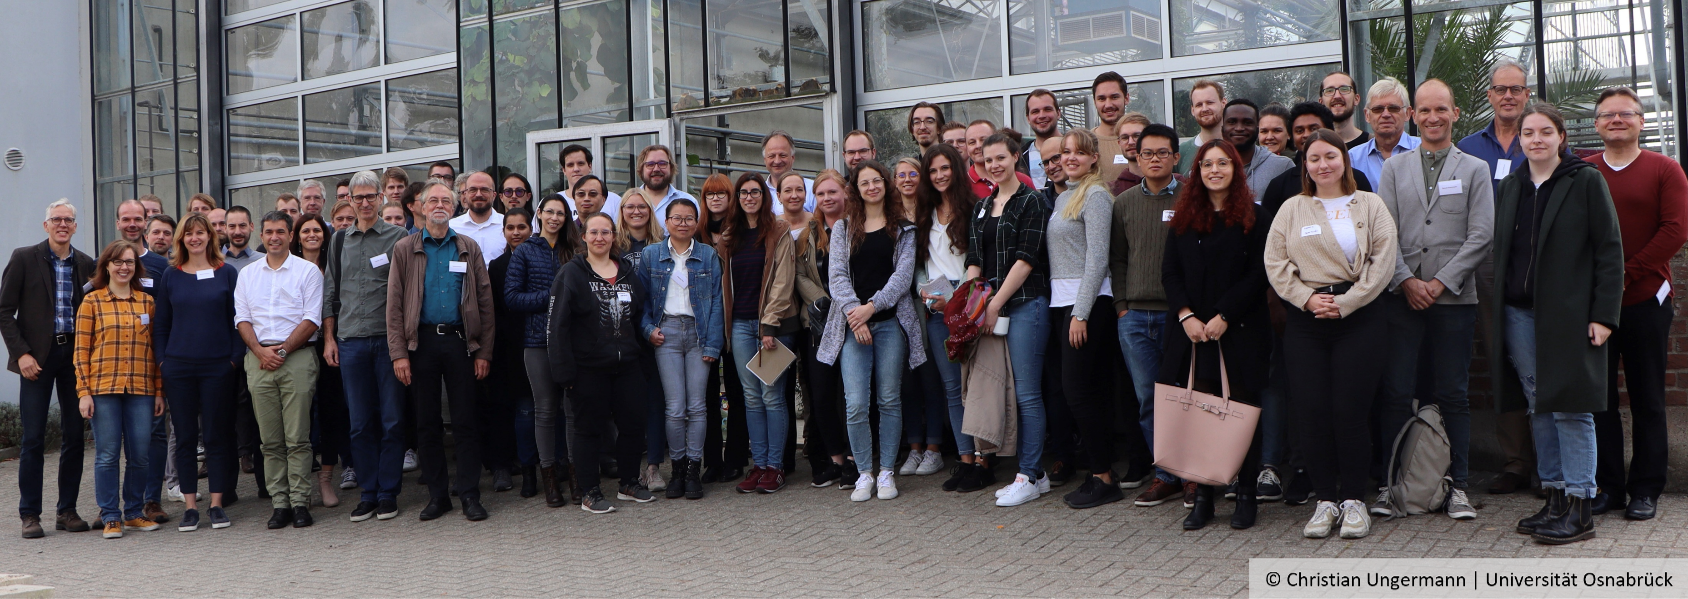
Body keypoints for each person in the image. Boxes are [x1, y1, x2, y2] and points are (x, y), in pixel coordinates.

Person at [1495, 103, 1622, 545]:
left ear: (1561, 137)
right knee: (1539, 405)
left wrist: (1604, 315)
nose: (1535, 139)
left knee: (1572, 407)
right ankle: (1554, 498)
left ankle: (1581, 507)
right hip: (1518, 315)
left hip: (1568, 318)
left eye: (1545, 132)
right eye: (1528, 132)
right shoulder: (1512, 186)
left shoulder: (1585, 180)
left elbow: (1609, 250)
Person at [1264, 129, 1398, 540]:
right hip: (1307, 320)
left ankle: (1355, 501)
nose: (1323, 165)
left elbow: (1383, 259)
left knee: (1350, 412)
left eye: (1330, 156)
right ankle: (1325, 501)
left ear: (1345, 159)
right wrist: (1305, 299)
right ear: (1304, 165)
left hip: (1359, 317)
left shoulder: (1370, 204)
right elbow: (1275, 260)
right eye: (1314, 159)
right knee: (1312, 412)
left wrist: (1348, 302)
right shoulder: (1292, 208)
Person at [1370, 79, 1492, 521]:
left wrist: (1438, 282)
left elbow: (1481, 236)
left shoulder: (1475, 169)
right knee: (1397, 391)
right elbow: (1384, 235)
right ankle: (1390, 486)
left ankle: (1458, 486)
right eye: (1424, 111)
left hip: (1455, 300)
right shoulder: (1394, 169)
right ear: (1412, 116)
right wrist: (1407, 282)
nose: (1433, 117)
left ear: (1455, 113)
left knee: (1453, 394)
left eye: (1441, 109)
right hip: (1401, 298)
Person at [1160, 140, 1273, 530]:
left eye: (1222, 163)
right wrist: (1186, 315)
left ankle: (1245, 495)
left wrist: (1226, 313)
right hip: (1195, 335)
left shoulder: (1256, 218)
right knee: (1202, 417)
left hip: (1240, 330)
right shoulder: (1184, 218)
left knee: (1242, 413)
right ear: (1197, 172)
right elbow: (1170, 274)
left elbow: (1261, 273)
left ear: (1235, 169)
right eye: (1206, 164)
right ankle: (1204, 498)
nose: (1214, 170)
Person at [1589, 86, 1688, 521]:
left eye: (1625, 114)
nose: (1616, 120)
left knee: (1648, 398)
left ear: (1641, 122)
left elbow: (1675, 230)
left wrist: (1625, 273)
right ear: (1596, 124)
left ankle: (1646, 489)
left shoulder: (1665, 170)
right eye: (1607, 115)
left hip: (1646, 300)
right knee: (1600, 399)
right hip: (1594, 308)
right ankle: (1608, 487)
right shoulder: (1584, 171)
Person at [386, 179, 496, 522]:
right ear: (418, 206)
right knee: (427, 423)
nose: (438, 205)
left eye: (444, 200)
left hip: (462, 342)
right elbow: (394, 306)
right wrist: (399, 353)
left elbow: (485, 301)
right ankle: (437, 496)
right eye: (431, 200)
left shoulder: (467, 246)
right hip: (421, 343)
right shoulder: (405, 248)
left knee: (465, 421)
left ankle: (469, 494)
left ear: (453, 206)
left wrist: (484, 352)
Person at [817, 160, 926, 502]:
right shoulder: (844, 228)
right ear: (856, 189)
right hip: (853, 328)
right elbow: (836, 276)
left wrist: (870, 309)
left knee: (889, 400)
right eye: (864, 183)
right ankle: (865, 471)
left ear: (885, 184)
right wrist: (855, 314)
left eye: (876, 181)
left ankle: (887, 472)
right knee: (855, 403)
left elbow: (902, 278)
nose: (871, 187)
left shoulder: (904, 230)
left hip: (890, 323)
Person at [1460, 58, 1536, 495]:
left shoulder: (1542, 139)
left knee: (1541, 360)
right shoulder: (1469, 148)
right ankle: (1515, 462)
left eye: (1516, 89)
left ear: (1526, 94)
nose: (1508, 95)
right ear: (1489, 95)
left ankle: (1550, 463)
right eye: (1500, 89)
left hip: (1535, 265)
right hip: (1487, 266)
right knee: (1501, 359)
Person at [966, 133, 1053, 507]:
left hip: (1024, 305)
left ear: (1016, 157)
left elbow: (1026, 258)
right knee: (999, 391)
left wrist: (994, 304)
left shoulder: (1031, 200)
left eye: (1001, 157)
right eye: (988, 160)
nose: (994, 165)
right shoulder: (982, 206)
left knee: (1027, 393)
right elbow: (974, 259)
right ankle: (1039, 474)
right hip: (989, 311)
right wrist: (969, 303)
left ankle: (1029, 474)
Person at [3, 199, 96, 538]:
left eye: (68, 220)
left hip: (74, 358)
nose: (62, 224)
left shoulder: (86, 264)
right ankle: (30, 514)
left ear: (74, 226)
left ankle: (67, 510)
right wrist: (22, 354)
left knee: (75, 435)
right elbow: (4, 311)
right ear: (46, 225)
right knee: (33, 438)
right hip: (36, 360)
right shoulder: (24, 257)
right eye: (56, 219)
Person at [1037, 129, 1119, 510]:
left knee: (1078, 391)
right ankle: (1098, 471)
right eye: (1064, 152)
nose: (1069, 158)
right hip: (1061, 305)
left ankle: (1103, 476)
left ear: (1093, 159)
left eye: (1078, 153)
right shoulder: (1065, 196)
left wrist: (1080, 313)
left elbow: (1098, 259)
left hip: (1086, 306)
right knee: (1078, 391)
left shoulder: (1097, 195)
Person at [550, 212, 653, 513]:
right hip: (587, 369)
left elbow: (637, 317)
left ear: (613, 236)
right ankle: (589, 491)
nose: (599, 238)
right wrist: (564, 371)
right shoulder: (571, 273)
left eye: (605, 232)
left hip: (628, 365)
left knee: (633, 426)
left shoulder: (627, 272)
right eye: (593, 232)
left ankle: (629, 483)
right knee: (588, 430)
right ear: (583, 237)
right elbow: (557, 327)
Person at [322, 170, 410, 522]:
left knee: (391, 420)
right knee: (359, 423)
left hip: (388, 342)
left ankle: (388, 492)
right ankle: (368, 493)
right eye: (357, 198)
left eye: (370, 196)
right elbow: (330, 291)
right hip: (351, 342)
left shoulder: (398, 237)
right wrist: (329, 338)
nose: (364, 203)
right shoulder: (339, 241)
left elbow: (407, 292)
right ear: (350, 201)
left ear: (381, 198)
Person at [234, 211, 324, 529]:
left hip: (297, 357)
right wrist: (260, 351)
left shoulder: (307, 271)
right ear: (262, 235)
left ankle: (300, 502)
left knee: (298, 437)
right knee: (270, 439)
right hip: (258, 358)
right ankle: (280, 503)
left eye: (281, 232)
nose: (274, 237)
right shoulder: (248, 274)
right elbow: (241, 318)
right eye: (269, 231)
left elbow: (312, 318)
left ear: (291, 235)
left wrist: (283, 351)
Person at [155, 212, 244, 531]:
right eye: (189, 233)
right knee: (186, 438)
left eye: (200, 232)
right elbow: (162, 324)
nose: (195, 238)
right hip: (179, 368)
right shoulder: (171, 275)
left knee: (218, 436)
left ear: (210, 236)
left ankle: (217, 504)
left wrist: (233, 359)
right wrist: (164, 361)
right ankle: (191, 506)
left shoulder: (226, 273)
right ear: (182, 239)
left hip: (218, 367)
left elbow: (238, 319)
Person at [1111, 124, 1185, 506]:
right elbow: (1118, 259)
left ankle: (1194, 475)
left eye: (1162, 153)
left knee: (1186, 397)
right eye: (1147, 153)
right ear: (1135, 158)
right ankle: (1166, 475)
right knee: (1149, 400)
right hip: (1135, 318)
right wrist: (1122, 308)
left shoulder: (1192, 195)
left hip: (1181, 315)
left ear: (1176, 156)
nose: (1154, 159)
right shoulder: (1123, 203)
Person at [74, 241, 165, 538]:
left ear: (136, 267)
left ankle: (135, 512)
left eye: (129, 262)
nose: (123, 267)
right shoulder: (92, 302)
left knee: (140, 454)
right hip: (103, 388)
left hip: (141, 387)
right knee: (107, 455)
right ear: (106, 266)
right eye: (117, 262)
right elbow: (81, 352)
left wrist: (159, 391)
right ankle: (111, 515)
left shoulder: (147, 303)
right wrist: (83, 392)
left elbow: (156, 351)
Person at [719, 173, 800, 493]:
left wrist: (768, 325)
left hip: (773, 326)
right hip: (739, 325)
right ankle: (760, 464)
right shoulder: (729, 235)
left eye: (755, 192)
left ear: (764, 196)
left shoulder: (779, 230)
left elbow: (783, 281)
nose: (749, 197)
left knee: (771, 395)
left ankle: (776, 467)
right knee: (751, 398)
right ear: (737, 198)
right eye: (743, 192)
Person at [638, 198, 724, 500]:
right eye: (677, 218)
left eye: (690, 218)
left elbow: (717, 303)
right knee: (675, 408)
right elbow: (642, 301)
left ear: (696, 222)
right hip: (667, 334)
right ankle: (676, 468)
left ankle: (693, 469)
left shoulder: (708, 255)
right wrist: (649, 330)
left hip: (699, 333)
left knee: (697, 406)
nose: (683, 223)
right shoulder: (651, 255)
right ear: (666, 222)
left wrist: (713, 342)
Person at [507, 194, 581, 507]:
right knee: (545, 409)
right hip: (536, 341)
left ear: (566, 218)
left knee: (573, 410)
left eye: (560, 213)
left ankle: (578, 476)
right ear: (539, 214)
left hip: (571, 342)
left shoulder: (575, 251)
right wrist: (550, 298)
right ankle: (549, 477)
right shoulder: (525, 251)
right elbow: (511, 298)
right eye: (548, 212)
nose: (554, 217)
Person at [794, 170, 855, 489]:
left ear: (845, 193)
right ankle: (835, 460)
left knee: (854, 395)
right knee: (822, 395)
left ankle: (857, 459)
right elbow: (799, 273)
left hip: (856, 321)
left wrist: (846, 305)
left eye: (833, 192)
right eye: (821, 194)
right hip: (819, 324)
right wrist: (821, 301)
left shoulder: (858, 228)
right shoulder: (810, 233)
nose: (827, 198)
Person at [291, 214, 351, 505]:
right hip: (294, 349)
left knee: (330, 414)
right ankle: (298, 482)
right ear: (297, 236)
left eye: (317, 230)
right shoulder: (287, 266)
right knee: (298, 418)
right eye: (306, 230)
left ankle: (326, 480)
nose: (312, 234)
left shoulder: (333, 265)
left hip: (329, 347)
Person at [697, 174, 750, 483]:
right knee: (707, 398)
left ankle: (736, 458)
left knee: (737, 391)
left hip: (735, 322)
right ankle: (712, 460)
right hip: (704, 326)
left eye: (721, 194)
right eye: (709, 195)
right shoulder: (697, 232)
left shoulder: (741, 232)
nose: (715, 199)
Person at [616, 189, 669, 491]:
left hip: (653, 331)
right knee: (627, 405)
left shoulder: (661, 244)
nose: (636, 211)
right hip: (621, 332)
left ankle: (653, 467)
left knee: (655, 402)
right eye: (630, 207)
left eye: (642, 207)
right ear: (622, 211)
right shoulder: (613, 245)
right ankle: (629, 467)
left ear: (650, 211)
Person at [487, 208, 538, 498]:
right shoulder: (497, 265)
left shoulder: (541, 258)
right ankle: (508, 465)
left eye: (522, 227)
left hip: (536, 342)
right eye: (510, 227)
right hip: (506, 346)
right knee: (509, 406)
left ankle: (537, 463)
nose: (516, 232)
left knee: (536, 407)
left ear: (531, 229)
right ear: (503, 231)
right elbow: (494, 307)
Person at [1261, 102, 1376, 222]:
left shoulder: (1356, 178)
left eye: (1314, 129)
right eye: (1299, 131)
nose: (1306, 135)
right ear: (1292, 136)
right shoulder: (1279, 186)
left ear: (1329, 131)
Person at [1348, 77, 1420, 186]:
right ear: (1367, 115)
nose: (1386, 114)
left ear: (1408, 113)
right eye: (1378, 109)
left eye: (1393, 108)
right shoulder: (1353, 158)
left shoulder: (1423, 150)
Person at [1222, 99, 1295, 204]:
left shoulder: (1283, 166)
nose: (1239, 128)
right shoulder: (1210, 168)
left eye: (1247, 122)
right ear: (1222, 129)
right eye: (1232, 122)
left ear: (1257, 130)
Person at [966, 120, 1036, 201]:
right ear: (967, 148)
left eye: (984, 140)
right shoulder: (963, 184)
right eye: (972, 142)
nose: (978, 145)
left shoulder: (1022, 179)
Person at [635, 145, 696, 231]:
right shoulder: (628, 202)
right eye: (650, 164)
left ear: (671, 168)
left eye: (662, 164)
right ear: (641, 169)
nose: (656, 169)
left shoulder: (688, 201)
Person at [450, 171, 507, 264]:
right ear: (465, 194)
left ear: (494, 195)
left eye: (484, 189)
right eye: (473, 190)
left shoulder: (506, 225)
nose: (478, 194)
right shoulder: (451, 228)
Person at [559, 144, 622, 219]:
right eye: (570, 165)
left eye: (580, 164)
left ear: (590, 166)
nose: (576, 169)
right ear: (564, 170)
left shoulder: (614, 200)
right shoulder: (554, 201)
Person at [1091, 71, 1131, 184]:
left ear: (1126, 98)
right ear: (1094, 102)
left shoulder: (1142, 140)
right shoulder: (1085, 143)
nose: (1108, 105)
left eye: (1114, 97)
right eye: (1101, 99)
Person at [1177, 80, 1225, 173]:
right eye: (1199, 105)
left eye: (1210, 102)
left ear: (1223, 102)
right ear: (1192, 110)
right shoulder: (1181, 152)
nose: (1205, 109)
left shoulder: (1237, 146)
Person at [763, 131, 815, 215]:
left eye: (782, 155)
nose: (777, 161)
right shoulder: (758, 192)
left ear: (792, 158)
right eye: (772, 156)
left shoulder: (812, 189)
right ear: (765, 160)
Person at [1320, 72, 1369, 148]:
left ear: (1356, 99)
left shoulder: (1373, 145)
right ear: (1321, 102)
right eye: (1329, 90)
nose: (1337, 96)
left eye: (1344, 89)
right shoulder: (1311, 148)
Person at [1024, 89, 1061, 187]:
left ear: (1058, 113)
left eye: (1047, 109)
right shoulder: (1019, 158)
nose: (1041, 116)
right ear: (1028, 118)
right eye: (1035, 111)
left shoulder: (1074, 149)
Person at [1108, 113, 1151, 195]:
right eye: (1124, 137)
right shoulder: (1112, 190)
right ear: (1119, 143)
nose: (1130, 142)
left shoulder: (1169, 183)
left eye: (1137, 136)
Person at [777, 172, 813, 237]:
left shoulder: (817, 224)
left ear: (805, 194)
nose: (794, 196)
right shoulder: (772, 227)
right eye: (788, 191)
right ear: (779, 196)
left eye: (799, 190)